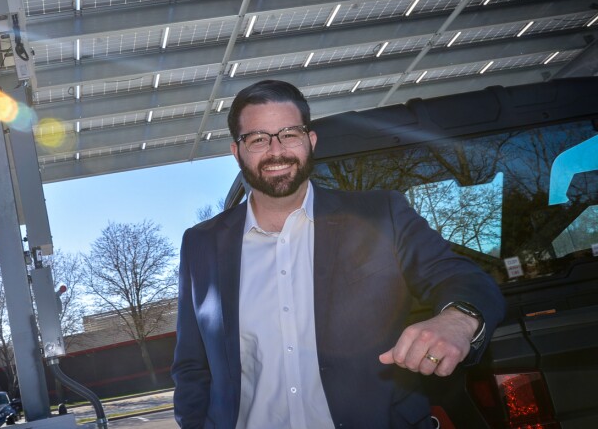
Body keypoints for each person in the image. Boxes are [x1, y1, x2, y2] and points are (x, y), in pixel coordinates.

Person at [172, 80, 505, 429]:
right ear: (236, 152)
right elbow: (192, 365)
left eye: (289, 134)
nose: (276, 150)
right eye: (257, 139)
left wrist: (457, 321)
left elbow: (460, 276)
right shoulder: (201, 244)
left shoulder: (382, 214)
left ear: (310, 141)